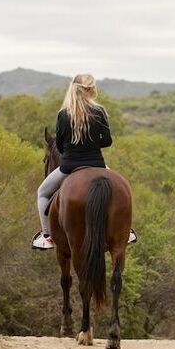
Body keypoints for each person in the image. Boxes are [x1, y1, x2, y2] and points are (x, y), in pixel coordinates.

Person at [31, 74, 136, 250]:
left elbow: (60, 146)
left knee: (42, 193)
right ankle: (127, 232)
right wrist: (93, 143)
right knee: (122, 191)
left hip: (69, 165)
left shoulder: (63, 114)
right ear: (92, 89)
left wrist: (72, 151)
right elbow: (107, 141)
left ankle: (47, 236)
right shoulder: (99, 112)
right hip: (97, 163)